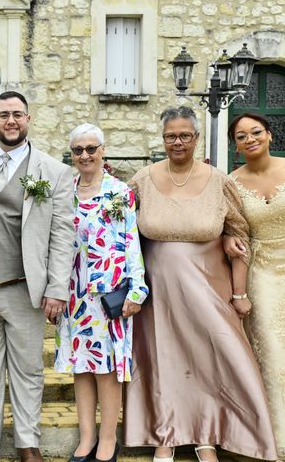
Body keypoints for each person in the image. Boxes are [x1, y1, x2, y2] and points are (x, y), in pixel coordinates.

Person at [122, 106, 277, 462]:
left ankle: (207, 434)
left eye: (185, 136)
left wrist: (238, 292)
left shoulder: (218, 180)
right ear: (163, 139)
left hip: (209, 288)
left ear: (196, 139)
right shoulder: (142, 179)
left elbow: (238, 232)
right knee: (165, 362)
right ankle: (166, 433)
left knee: (212, 358)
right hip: (157, 294)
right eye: (170, 136)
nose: (178, 142)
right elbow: (121, 232)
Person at [0, 91, 75, 462]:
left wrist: (57, 289)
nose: (11, 121)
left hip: (25, 288)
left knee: (28, 368)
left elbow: (63, 235)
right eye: (4, 114)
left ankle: (27, 442)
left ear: (28, 119)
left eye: (17, 114)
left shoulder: (54, 171)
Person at [55, 123, 147, 462]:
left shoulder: (119, 192)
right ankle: (86, 438)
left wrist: (137, 290)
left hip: (110, 293)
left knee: (107, 368)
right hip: (74, 291)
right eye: (78, 150)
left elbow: (131, 242)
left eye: (91, 148)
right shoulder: (63, 191)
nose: (85, 155)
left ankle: (108, 440)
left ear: (102, 151)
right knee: (81, 366)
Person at [223, 113, 285, 458]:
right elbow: (231, 227)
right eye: (242, 136)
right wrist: (228, 241)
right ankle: (273, 440)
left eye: (256, 132)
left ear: (270, 135)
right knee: (273, 356)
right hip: (261, 272)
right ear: (235, 144)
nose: (250, 139)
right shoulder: (232, 182)